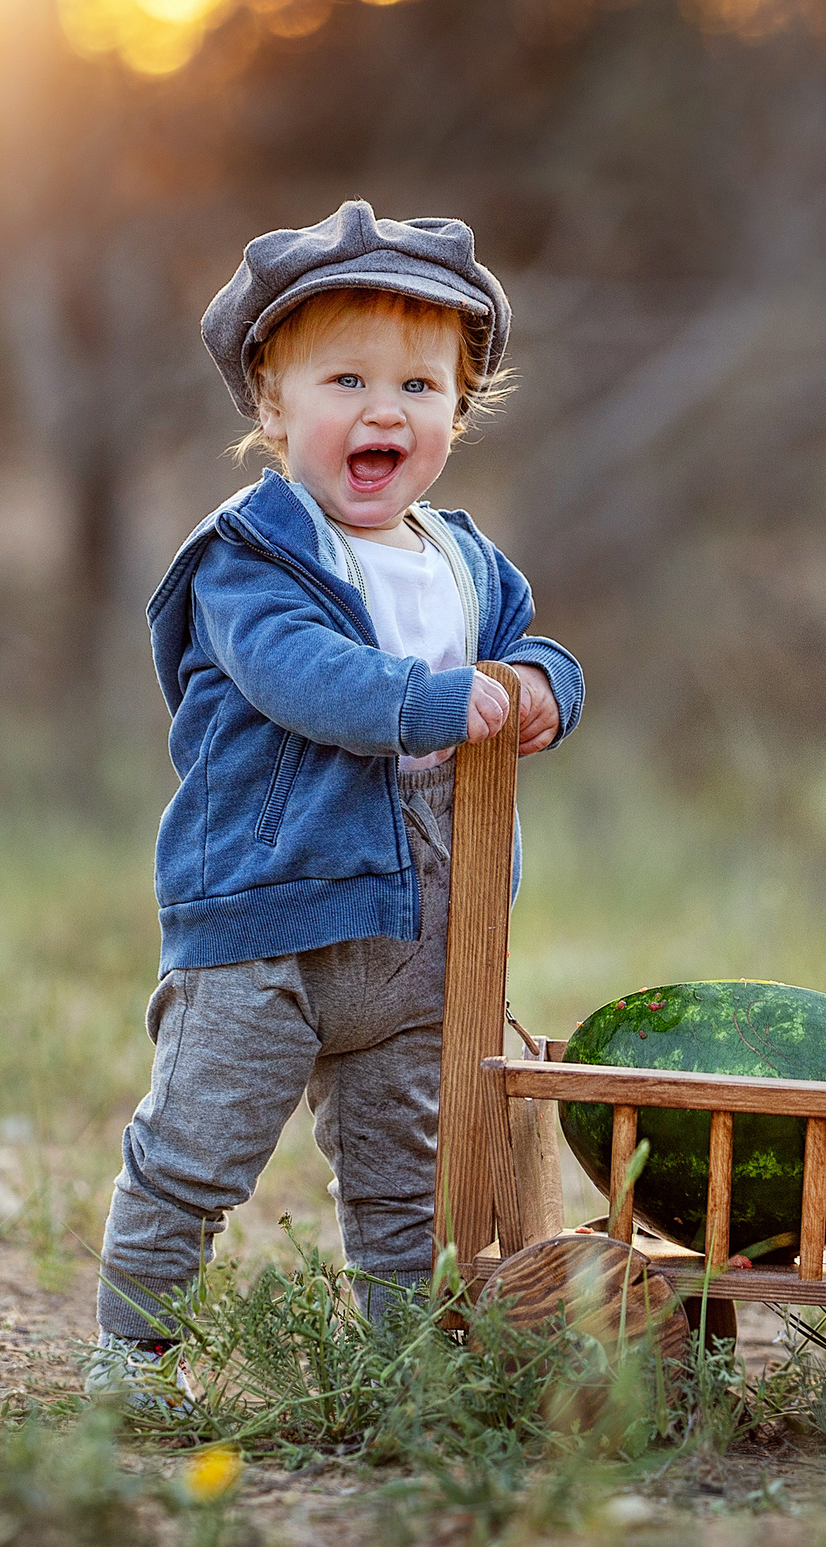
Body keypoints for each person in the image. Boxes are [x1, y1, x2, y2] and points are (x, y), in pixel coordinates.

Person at [87, 200, 584, 1393]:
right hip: (267, 917)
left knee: (404, 1163)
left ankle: (401, 1358)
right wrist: (428, 701)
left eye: (420, 386)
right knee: (199, 1146)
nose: (383, 410)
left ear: (457, 411)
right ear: (272, 407)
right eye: (345, 379)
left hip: (426, 930)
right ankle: (134, 1349)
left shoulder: (466, 560)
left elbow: (537, 648)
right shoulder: (249, 555)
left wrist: (535, 688)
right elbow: (299, 677)